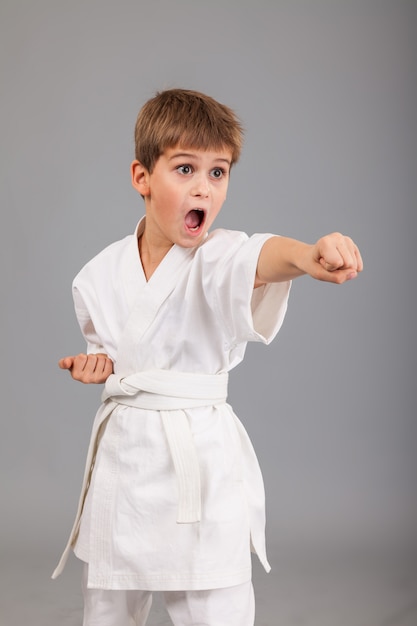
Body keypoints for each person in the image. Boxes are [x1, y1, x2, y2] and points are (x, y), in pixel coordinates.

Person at [52, 88, 363, 626]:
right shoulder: (97, 274)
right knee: (108, 605)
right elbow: (110, 352)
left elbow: (260, 256)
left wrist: (308, 255)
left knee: (213, 604)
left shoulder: (215, 256)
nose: (204, 187)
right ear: (142, 177)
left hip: (197, 457)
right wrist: (94, 365)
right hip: (124, 463)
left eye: (218, 173)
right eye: (185, 169)